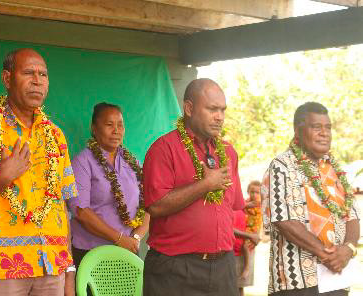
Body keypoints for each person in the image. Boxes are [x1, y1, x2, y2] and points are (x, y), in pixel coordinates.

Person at [0, 48, 78, 296]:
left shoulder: (55, 135)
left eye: (43, 74)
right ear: (7, 79)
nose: (37, 80)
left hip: (51, 268)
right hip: (0, 268)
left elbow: (61, 207)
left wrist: (69, 270)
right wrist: (2, 179)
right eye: (28, 72)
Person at [142, 78, 245, 296]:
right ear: (189, 108)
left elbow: (233, 206)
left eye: (223, 110)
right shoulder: (164, 148)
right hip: (175, 269)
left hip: (223, 266)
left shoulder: (228, 152)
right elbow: (156, 206)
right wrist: (205, 185)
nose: (220, 117)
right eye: (212, 109)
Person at [262, 102, 360, 296]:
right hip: (297, 281)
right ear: (297, 131)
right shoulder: (282, 166)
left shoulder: (336, 170)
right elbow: (283, 220)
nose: (325, 133)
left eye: (328, 127)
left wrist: (348, 249)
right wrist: (327, 255)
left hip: (336, 279)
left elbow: (353, 215)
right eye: (316, 127)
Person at [67, 102, 150, 293]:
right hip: (91, 254)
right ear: (94, 129)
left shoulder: (131, 162)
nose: (116, 130)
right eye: (109, 124)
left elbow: (149, 205)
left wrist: (135, 237)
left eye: (120, 125)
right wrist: (119, 238)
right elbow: (81, 212)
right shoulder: (82, 162)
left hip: (127, 253)